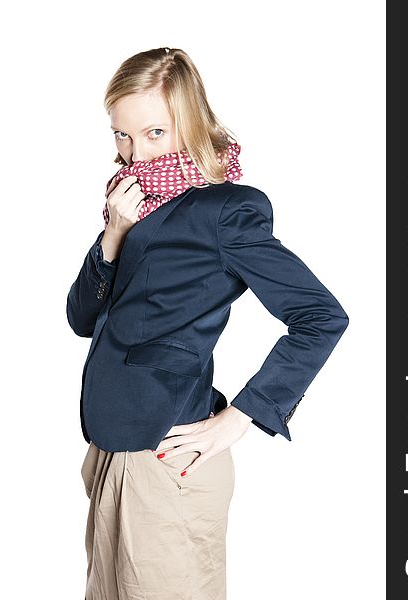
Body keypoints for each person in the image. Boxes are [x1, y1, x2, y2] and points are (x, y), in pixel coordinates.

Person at [67, 47, 349, 600]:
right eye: (121, 136)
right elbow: (81, 317)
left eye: (153, 134)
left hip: (164, 457)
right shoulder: (132, 206)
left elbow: (320, 316)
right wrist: (113, 236)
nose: (134, 154)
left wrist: (242, 416)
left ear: (190, 124)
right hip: (110, 451)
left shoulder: (225, 211)